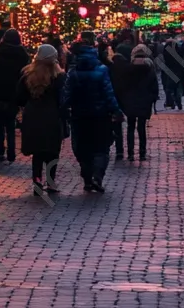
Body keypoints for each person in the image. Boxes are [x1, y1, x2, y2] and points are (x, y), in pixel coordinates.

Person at [61, 31, 124, 192]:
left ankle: (87, 177)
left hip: (79, 116)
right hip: (100, 115)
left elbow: (67, 95)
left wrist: (64, 109)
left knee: (82, 147)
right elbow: (108, 92)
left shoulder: (73, 72)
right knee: (101, 148)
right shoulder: (102, 70)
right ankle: (97, 175)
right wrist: (115, 110)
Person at [16, 44, 66, 195]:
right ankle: (51, 183)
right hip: (52, 116)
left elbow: (19, 97)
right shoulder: (59, 77)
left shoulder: (27, 74)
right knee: (52, 152)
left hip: (33, 116)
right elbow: (62, 99)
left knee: (37, 153)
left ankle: (37, 180)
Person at [0, 28, 29, 162]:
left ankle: (0, 151)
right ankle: (12, 152)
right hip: (14, 94)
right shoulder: (23, 55)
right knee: (10, 125)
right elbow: (25, 76)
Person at [120, 44, 158, 161]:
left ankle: (130, 153)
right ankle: (142, 152)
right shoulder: (150, 71)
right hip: (144, 102)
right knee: (141, 128)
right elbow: (154, 88)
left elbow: (123, 87)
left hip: (130, 102)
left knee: (130, 127)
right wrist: (151, 99)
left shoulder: (127, 70)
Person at [109, 33, 134, 159]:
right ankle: (131, 151)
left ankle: (119, 150)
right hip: (128, 97)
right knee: (131, 124)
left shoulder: (111, 66)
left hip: (115, 97)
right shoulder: (129, 67)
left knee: (117, 125)